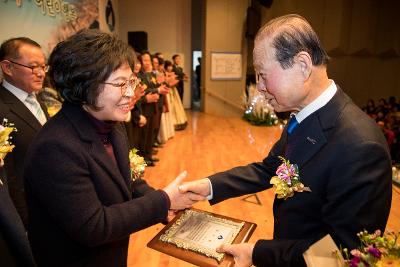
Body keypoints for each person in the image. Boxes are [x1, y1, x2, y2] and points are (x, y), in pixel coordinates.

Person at [179, 14, 392, 267]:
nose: (259, 87)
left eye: (262, 74)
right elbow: (271, 168)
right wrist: (209, 186)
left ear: (302, 65)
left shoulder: (361, 147)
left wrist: (257, 254)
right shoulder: (302, 115)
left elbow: (341, 252)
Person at [23, 29, 203, 267]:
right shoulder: (55, 147)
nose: (131, 93)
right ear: (84, 85)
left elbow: (126, 180)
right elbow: (94, 227)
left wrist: (168, 203)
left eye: (131, 81)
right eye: (120, 84)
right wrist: (162, 201)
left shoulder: (111, 125)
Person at [0, 37, 49, 227]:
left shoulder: (39, 101)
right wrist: (23, 222)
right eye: (33, 67)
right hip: (27, 213)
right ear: (8, 67)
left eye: (43, 67)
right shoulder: (2, 108)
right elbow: (9, 174)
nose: (40, 73)